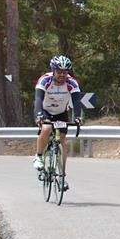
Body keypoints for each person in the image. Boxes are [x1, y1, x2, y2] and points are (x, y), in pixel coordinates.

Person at [33, 55, 83, 191]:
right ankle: (38, 157)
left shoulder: (72, 83)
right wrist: (39, 115)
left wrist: (78, 116)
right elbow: (38, 99)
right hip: (45, 110)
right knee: (47, 128)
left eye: (65, 72)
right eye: (59, 72)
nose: (62, 75)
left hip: (61, 112)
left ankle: (61, 177)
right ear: (53, 70)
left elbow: (77, 101)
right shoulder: (45, 80)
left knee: (63, 143)